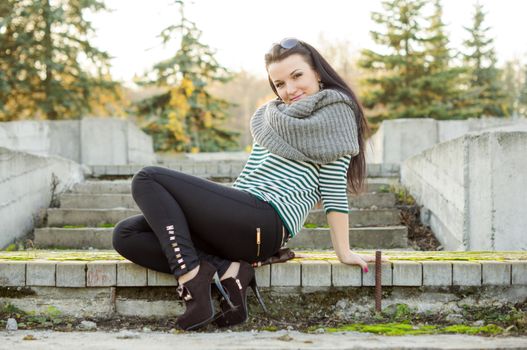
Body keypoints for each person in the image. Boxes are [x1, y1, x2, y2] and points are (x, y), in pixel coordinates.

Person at [112, 37, 389, 331]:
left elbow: (334, 189)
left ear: (318, 73)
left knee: (148, 178)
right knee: (126, 234)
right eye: (279, 84)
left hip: (266, 220)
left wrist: (343, 252)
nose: (289, 89)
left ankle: (192, 282)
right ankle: (229, 271)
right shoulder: (273, 117)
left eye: (297, 76)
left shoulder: (336, 114)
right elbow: (251, 178)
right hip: (241, 220)